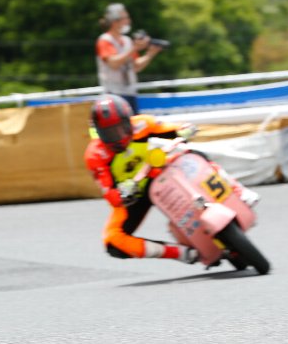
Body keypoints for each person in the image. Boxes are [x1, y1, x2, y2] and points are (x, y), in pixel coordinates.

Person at [84, 94, 260, 264]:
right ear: (99, 132)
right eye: (109, 133)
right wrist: (122, 193)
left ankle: (238, 192)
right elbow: (109, 194)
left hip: (156, 172)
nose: (117, 137)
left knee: (193, 155)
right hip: (132, 196)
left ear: (128, 121)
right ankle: (182, 253)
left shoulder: (142, 124)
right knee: (112, 241)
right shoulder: (95, 155)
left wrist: (184, 130)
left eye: (120, 129)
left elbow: (171, 129)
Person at [95, 3, 163, 112]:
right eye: (125, 18)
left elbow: (135, 66)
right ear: (115, 22)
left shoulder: (127, 40)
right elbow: (113, 63)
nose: (129, 21)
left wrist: (150, 53)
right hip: (114, 94)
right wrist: (134, 49)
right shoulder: (105, 40)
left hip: (130, 93)